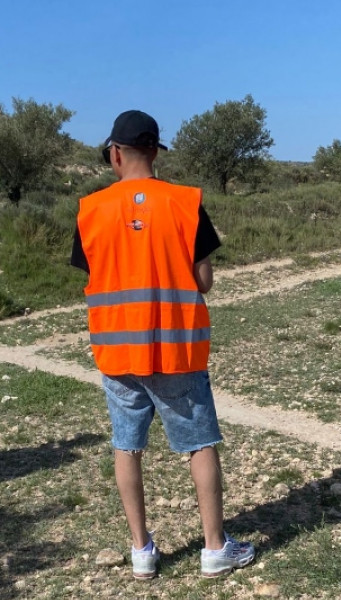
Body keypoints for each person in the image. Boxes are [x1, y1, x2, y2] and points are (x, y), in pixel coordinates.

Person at [71, 110, 254, 579]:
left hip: (118, 355)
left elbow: (94, 278)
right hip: (176, 350)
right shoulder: (185, 203)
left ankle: (141, 552)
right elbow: (204, 281)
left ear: (114, 153)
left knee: (126, 448)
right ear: (155, 151)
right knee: (200, 445)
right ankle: (215, 548)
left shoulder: (90, 211)